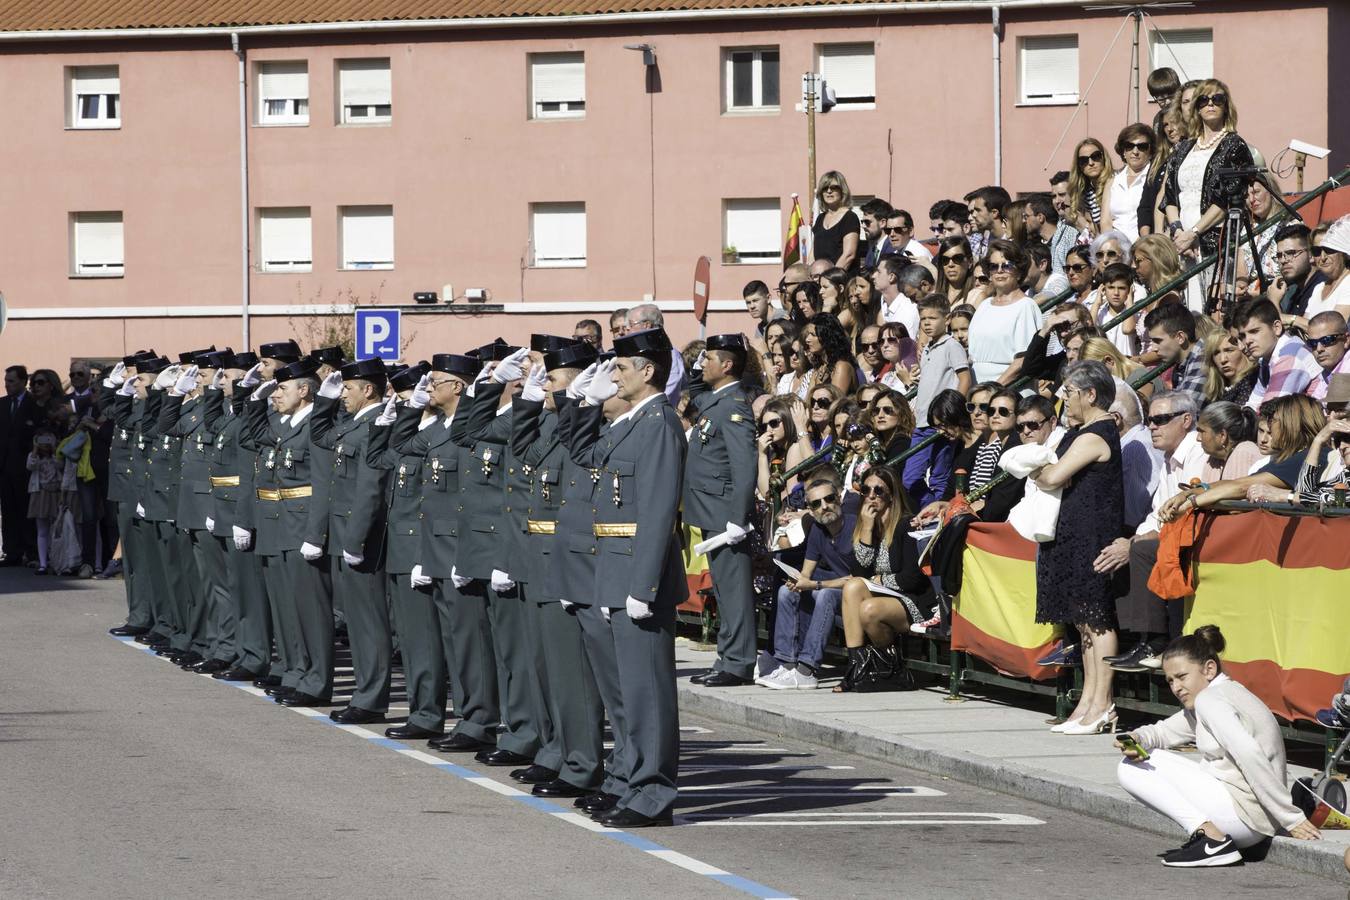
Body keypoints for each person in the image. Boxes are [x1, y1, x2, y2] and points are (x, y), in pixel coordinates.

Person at [566, 328, 688, 829]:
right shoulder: (627, 425)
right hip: (612, 568)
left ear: (648, 371)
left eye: (620, 367)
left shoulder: (659, 424)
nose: (613, 375)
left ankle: (654, 792)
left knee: (648, 693)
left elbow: (659, 510)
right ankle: (631, 780)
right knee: (627, 693)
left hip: (638, 574)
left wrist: (644, 586)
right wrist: (579, 403)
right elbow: (581, 454)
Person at [1116, 626, 1319, 867]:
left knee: (1129, 768)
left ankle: (1211, 840)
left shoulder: (1210, 701)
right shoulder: (1219, 694)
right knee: (1143, 756)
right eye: (1170, 680)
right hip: (1253, 819)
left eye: (1182, 677)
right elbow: (1164, 732)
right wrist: (1138, 738)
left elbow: (1249, 754)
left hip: (1245, 818)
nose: (1176, 687)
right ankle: (1213, 837)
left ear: (1209, 669)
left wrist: (1290, 818)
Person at [1029, 361, 1124, 735]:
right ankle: (1087, 702)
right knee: (1083, 623)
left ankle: (1104, 704)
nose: (1062, 399)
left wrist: (1036, 471)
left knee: (1097, 620)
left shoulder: (1097, 433)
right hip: (1072, 533)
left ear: (1090, 394)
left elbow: (1051, 474)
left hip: (1092, 534)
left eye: (1068, 392)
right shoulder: (1079, 430)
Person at [311, 358, 394, 725]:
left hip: (362, 538)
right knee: (358, 622)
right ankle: (364, 693)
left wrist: (356, 539)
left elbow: (369, 490)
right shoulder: (354, 425)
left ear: (368, 390)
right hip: (346, 533)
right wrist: (324, 402)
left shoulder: (376, 425)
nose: (344, 394)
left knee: (369, 622)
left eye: (347, 389)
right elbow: (322, 438)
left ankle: (372, 699)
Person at [684, 335, 758, 688]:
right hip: (712, 509)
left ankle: (739, 663)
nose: (702, 363)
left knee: (734, 591)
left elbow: (745, 466)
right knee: (724, 591)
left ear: (726, 365)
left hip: (725, 512)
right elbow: (693, 388)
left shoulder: (734, 406)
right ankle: (726, 658)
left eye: (709, 357)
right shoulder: (716, 400)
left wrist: (738, 517)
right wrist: (700, 360)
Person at [834, 465, 933, 692]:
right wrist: (867, 530)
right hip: (885, 597)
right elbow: (860, 574)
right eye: (866, 491)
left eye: (878, 491)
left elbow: (912, 579)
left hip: (913, 600)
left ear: (891, 494)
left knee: (868, 608)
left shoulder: (905, 524)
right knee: (852, 587)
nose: (871, 497)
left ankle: (890, 669)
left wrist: (880, 581)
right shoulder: (868, 525)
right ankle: (857, 667)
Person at [1162, 78, 1256, 312]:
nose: (1210, 104)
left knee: (1211, 308)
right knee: (1186, 307)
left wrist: (1194, 232)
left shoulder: (1234, 145)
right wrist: (1178, 232)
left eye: (1217, 99)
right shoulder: (1183, 148)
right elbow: (1170, 197)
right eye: (1203, 100)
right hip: (1182, 241)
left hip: (1215, 238)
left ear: (1226, 106)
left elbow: (1228, 198)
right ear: (1196, 108)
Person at [1160, 394, 1326, 517]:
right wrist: (1189, 493)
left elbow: (1243, 487)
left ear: (1291, 424)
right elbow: (1237, 483)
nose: (1269, 427)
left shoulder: (1310, 455)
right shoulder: (1292, 456)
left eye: (1274, 421)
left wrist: (1190, 503)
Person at [762, 477, 856, 690]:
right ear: (811, 511)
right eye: (816, 504)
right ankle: (786, 664)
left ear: (839, 499)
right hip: (836, 588)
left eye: (829, 499)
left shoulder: (855, 526)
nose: (824, 506)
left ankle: (807, 669)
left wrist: (813, 585)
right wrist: (797, 582)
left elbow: (857, 581)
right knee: (787, 592)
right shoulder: (817, 530)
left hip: (858, 594)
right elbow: (806, 574)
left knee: (826, 594)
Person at [966, 239, 1043, 384]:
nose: (1000, 270)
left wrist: (994, 390)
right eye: (994, 267)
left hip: (1008, 391)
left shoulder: (1025, 306)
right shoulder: (984, 306)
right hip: (978, 390)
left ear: (1019, 272)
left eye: (1007, 266)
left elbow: (1022, 361)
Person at [1233, 297, 1321, 411]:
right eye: (1242, 336)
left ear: (1277, 328)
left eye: (1254, 331)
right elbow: (1253, 405)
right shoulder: (1267, 358)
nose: (1247, 341)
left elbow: (1270, 412)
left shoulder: (1291, 354)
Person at [1, 365, 39, 565]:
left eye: (11, 381)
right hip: (5, 468)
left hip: (26, 468)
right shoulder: (2, 404)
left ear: (23, 382)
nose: (7, 385)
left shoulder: (33, 405)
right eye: (6, 381)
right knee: (8, 511)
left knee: (27, 510)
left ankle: (30, 551)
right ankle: (11, 552)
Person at [1144, 304, 1207, 408]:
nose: (1154, 348)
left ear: (1180, 337)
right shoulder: (1182, 362)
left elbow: (1183, 413)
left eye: (1158, 341)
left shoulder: (1202, 361)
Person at [1266, 223, 1327, 324]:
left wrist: (1273, 302)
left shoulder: (1323, 285)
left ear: (1311, 255)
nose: (1283, 260)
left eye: (1291, 253)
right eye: (1279, 255)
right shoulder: (1296, 293)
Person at [756, 396, 813, 504]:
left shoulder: (795, 447)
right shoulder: (777, 451)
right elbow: (766, 492)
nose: (768, 430)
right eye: (764, 426)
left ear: (787, 421)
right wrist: (762, 454)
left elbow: (790, 493)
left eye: (774, 423)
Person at [1105, 124, 1155, 241]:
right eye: (1129, 146)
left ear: (1150, 151)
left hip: (1142, 246)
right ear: (1123, 151)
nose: (1135, 151)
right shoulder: (1113, 182)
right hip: (1116, 249)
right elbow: (1106, 222)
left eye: (1142, 146)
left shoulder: (1154, 179)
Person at [1196, 401, 1262, 481]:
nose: (1198, 438)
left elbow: (1237, 491)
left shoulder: (1244, 452)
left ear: (1222, 435)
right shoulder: (1214, 460)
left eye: (1202, 431)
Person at [25, 432, 61, 574]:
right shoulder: (33, 456)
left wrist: (55, 449)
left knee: (55, 528)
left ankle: (55, 560)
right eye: (42, 440)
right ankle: (43, 563)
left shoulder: (55, 456)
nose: (45, 443)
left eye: (48, 439)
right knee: (42, 530)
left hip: (55, 493)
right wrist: (35, 448)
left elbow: (60, 464)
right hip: (40, 493)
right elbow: (30, 466)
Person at [809, 170, 860, 272]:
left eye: (833, 188)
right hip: (820, 281)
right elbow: (812, 254)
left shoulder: (850, 217)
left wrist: (831, 280)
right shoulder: (820, 219)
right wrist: (811, 276)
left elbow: (849, 255)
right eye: (825, 188)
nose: (829, 191)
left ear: (842, 191)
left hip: (842, 280)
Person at [1304, 215, 1350, 320]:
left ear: (1343, 252)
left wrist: (1293, 319)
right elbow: (1303, 330)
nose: (1323, 257)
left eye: (1329, 249)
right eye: (1317, 251)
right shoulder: (1318, 288)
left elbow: (1333, 327)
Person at [1069, 137, 1115, 236]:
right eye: (1084, 160)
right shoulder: (1086, 193)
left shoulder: (1117, 183)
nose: (1091, 163)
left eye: (1096, 156)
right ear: (1079, 166)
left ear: (1104, 158)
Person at [1093, 263, 1141, 357]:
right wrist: (1097, 303)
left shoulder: (1135, 312)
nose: (1116, 293)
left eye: (1122, 288)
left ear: (1130, 289)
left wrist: (1130, 301)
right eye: (1111, 287)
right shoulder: (1099, 312)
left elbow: (1127, 329)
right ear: (1103, 288)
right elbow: (1088, 329)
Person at [803, 313, 858, 394]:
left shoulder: (842, 366)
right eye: (808, 335)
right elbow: (809, 399)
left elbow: (835, 402)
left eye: (813, 335)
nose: (807, 339)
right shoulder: (820, 367)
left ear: (827, 337)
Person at [1202, 326, 1257, 406]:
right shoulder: (1215, 393)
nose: (1223, 359)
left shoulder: (1251, 382)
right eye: (1216, 353)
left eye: (1229, 350)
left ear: (1243, 350)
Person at [1304, 311, 1350, 402]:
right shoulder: (1325, 374)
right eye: (1312, 343)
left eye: (1327, 340)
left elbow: (1334, 407)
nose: (1319, 349)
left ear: (1346, 340)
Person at [873, 256, 921, 338]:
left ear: (891, 277)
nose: (873, 276)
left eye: (879, 272)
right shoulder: (884, 301)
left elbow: (908, 348)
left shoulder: (909, 312)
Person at [934, 235, 977, 306]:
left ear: (970, 262)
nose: (950, 264)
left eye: (957, 258)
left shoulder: (976, 296)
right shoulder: (933, 298)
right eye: (945, 260)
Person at [860, 198, 894, 270]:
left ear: (882, 223)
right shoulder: (873, 249)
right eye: (862, 222)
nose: (863, 226)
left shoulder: (893, 248)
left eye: (867, 222)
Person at [806, 384, 842, 451]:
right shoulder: (810, 439)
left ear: (835, 405)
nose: (815, 407)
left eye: (823, 402)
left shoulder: (839, 439)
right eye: (813, 402)